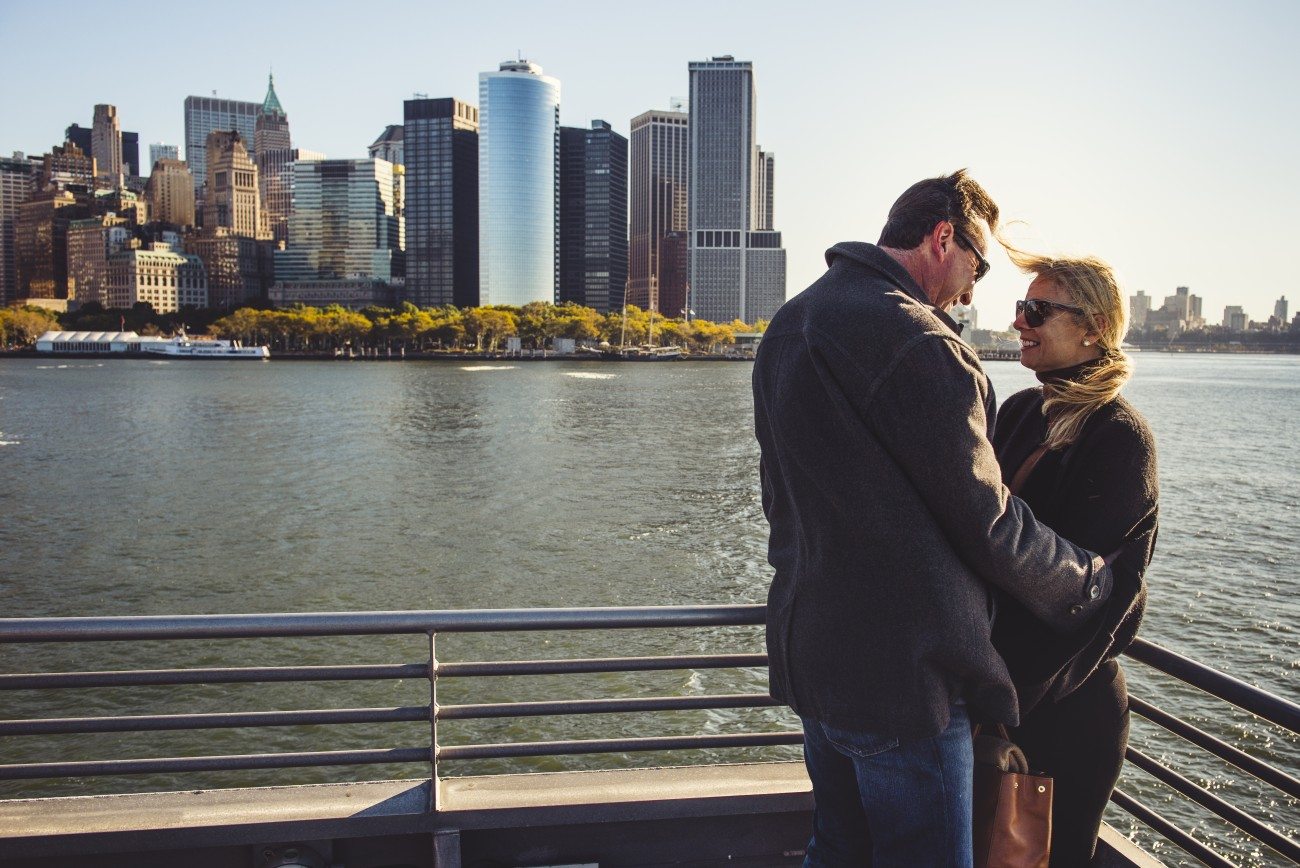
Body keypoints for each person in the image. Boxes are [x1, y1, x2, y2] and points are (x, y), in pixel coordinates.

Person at [751, 169, 1115, 867]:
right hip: (903, 685)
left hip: (815, 665)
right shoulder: (923, 342)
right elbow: (988, 520)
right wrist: (1082, 579)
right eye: (977, 266)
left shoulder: (789, 325)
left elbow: (781, 502)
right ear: (943, 237)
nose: (976, 292)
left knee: (837, 851)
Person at [992, 252, 1159, 866]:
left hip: (1065, 711)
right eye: (1020, 308)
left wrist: (1005, 703)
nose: (1020, 323)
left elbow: (1104, 598)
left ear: (1092, 327)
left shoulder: (1119, 436)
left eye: (1038, 310)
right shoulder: (1017, 414)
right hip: (995, 701)